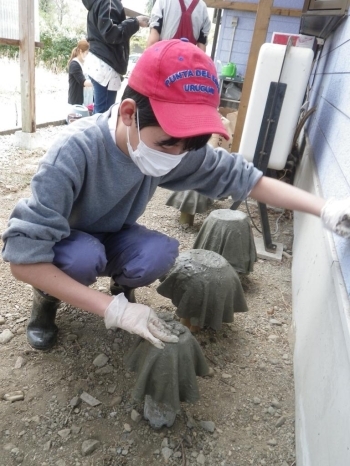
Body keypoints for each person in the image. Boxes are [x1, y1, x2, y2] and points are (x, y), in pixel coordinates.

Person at [2, 39, 350, 353]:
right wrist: (113, 312)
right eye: (168, 143)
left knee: (159, 252)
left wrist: (326, 208)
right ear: (128, 113)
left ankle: (120, 288)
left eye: (190, 146)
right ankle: (46, 301)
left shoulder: (172, 147)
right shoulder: (73, 153)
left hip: (112, 232)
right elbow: (24, 258)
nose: (177, 156)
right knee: (82, 256)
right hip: (67, 241)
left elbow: (246, 179)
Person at [82, 0, 149, 114]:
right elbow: (111, 34)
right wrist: (135, 22)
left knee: (99, 112)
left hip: (97, 62)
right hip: (106, 64)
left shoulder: (96, 2)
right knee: (104, 116)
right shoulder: (106, 1)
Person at [147, 0, 211, 52]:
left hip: (164, 61)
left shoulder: (163, 2)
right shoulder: (202, 7)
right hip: (187, 65)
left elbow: (153, 42)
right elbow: (201, 50)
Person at [67, 39, 93, 107]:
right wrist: (98, 82)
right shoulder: (74, 64)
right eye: (87, 53)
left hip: (85, 100)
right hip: (76, 102)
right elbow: (83, 82)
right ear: (81, 51)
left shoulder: (84, 64)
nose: (88, 55)